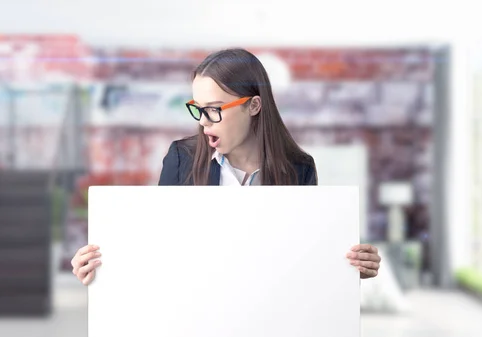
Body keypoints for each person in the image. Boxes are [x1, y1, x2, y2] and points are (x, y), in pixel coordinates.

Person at [72, 48, 381, 286]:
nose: (204, 122)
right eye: (198, 109)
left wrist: (350, 267)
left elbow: (305, 259)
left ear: (254, 106)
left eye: (215, 110)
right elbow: (161, 246)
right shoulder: (181, 159)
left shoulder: (299, 169)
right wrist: (100, 264)